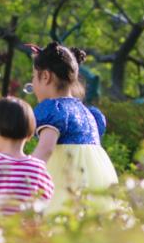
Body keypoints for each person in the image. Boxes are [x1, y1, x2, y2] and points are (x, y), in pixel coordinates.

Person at [30, 42, 118, 212]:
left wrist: (24, 174)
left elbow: (46, 149)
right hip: (96, 179)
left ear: (46, 76)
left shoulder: (53, 109)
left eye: (34, 77)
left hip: (65, 181)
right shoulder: (89, 113)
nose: (33, 83)